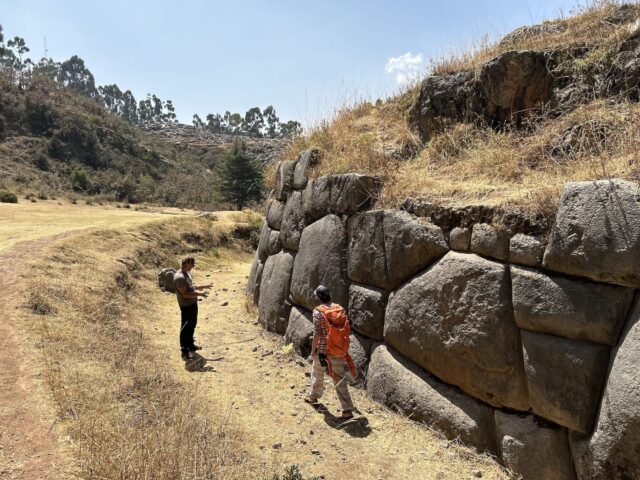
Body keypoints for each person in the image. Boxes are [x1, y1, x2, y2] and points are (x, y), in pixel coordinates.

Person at [305, 285, 356, 419]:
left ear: (318, 298)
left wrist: (313, 350)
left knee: (317, 372)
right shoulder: (339, 309)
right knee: (339, 379)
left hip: (323, 350)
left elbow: (317, 333)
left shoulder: (318, 312)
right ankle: (347, 410)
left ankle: (313, 397)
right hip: (338, 349)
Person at [173, 256, 212, 360]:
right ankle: (184, 350)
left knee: (192, 325)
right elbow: (185, 294)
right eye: (192, 264)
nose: (193, 267)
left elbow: (191, 286)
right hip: (186, 306)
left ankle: (190, 345)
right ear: (186, 264)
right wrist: (200, 294)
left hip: (193, 304)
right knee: (185, 328)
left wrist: (204, 286)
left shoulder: (186, 274)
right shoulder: (179, 277)